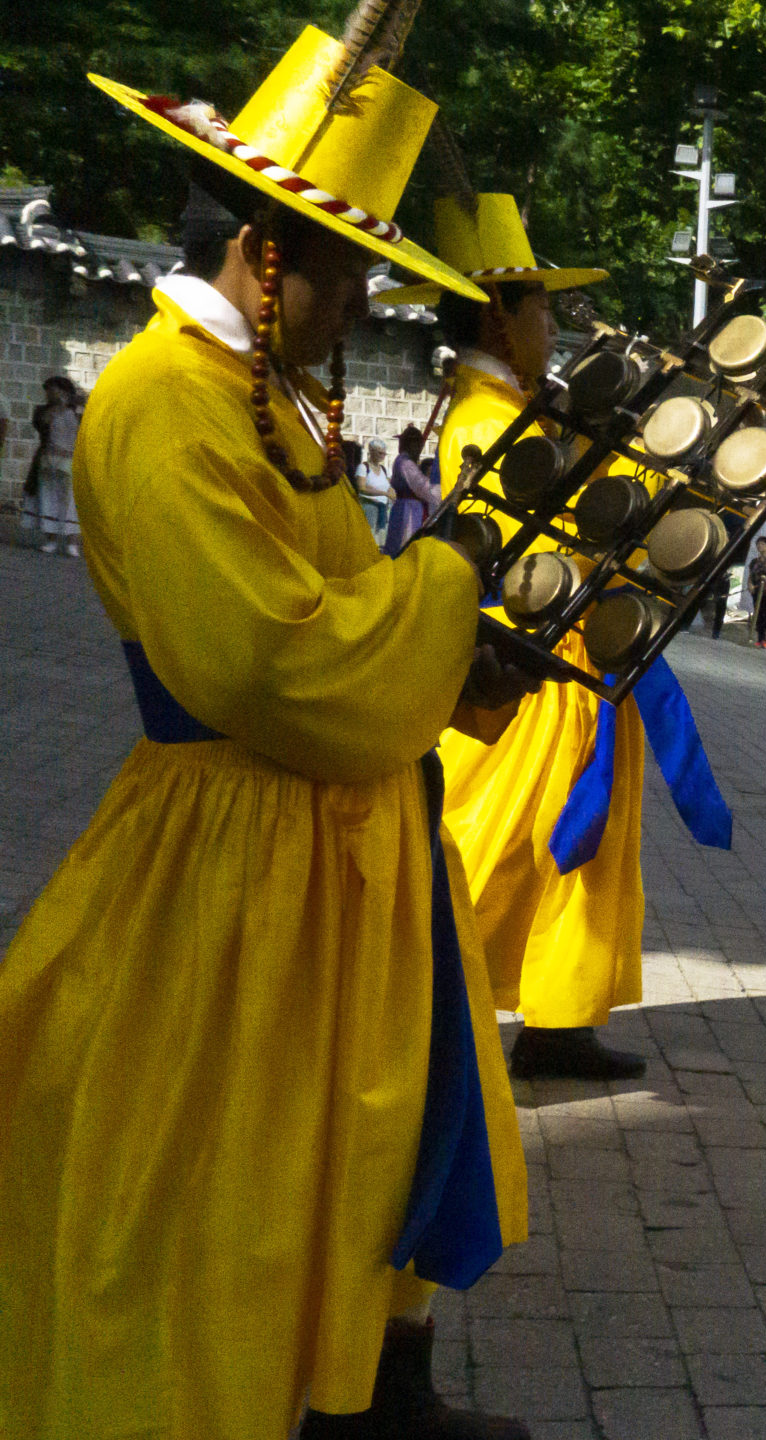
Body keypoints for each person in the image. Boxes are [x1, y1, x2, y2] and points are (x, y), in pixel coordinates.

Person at [1, 31, 541, 1439]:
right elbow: (278, 660)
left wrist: (443, 660)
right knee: (239, 1171)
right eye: (352, 273)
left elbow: (340, 610)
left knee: (382, 1134)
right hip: (239, 847)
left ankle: (369, 1389)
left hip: (340, 833)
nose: (360, 306)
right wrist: (454, 568)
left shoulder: (257, 398)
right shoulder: (164, 409)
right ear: (264, 254)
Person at [390, 190, 732, 1083]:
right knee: (492, 838)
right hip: (525, 670)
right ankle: (417, 995)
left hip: (576, 664)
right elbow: (541, 545)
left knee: (574, 851)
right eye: (541, 309)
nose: (552, 327)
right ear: (503, 319)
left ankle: (559, 1016)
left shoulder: (519, 405)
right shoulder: (487, 420)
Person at [25, 374, 83, 556]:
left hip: (71, 461)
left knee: (71, 501)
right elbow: (41, 424)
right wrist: (56, 408)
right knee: (48, 498)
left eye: (53, 390)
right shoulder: (43, 411)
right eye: (48, 391)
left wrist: (71, 405)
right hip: (48, 460)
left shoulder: (78, 411)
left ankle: (72, 543)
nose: (49, 394)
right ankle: (51, 539)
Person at [382, 423, 438, 553]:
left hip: (406, 507)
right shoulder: (405, 463)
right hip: (409, 509)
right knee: (405, 544)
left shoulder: (405, 461)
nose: (419, 448)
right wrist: (443, 491)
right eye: (417, 444)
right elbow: (421, 486)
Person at [353, 436, 394, 541]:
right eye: (380, 453)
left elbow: (389, 486)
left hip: (383, 506)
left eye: (384, 453)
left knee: (381, 534)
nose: (383, 456)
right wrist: (383, 493)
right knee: (369, 534)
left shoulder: (384, 469)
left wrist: (392, 495)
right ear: (371, 452)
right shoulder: (363, 467)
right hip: (368, 504)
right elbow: (362, 488)